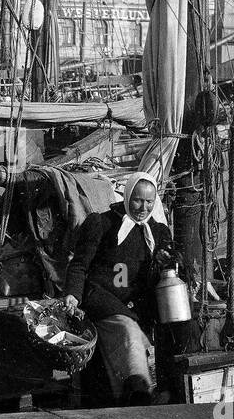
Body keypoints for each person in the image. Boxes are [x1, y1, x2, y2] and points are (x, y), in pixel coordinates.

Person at [62, 172, 174, 406]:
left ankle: (158, 386)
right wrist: (72, 294)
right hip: (102, 299)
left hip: (137, 304)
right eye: (137, 200)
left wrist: (167, 260)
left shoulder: (159, 232)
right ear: (127, 196)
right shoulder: (102, 223)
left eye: (149, 202)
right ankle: (138, 388)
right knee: (126, 329)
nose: (143, 207)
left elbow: (170, 264)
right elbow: (79, 264)